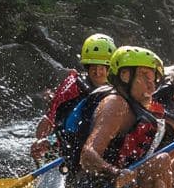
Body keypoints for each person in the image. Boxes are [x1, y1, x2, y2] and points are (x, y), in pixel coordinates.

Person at [65, 46, 174, 188]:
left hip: (126, 184)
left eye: (153, 79)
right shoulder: (115, 104)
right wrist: (114, 173)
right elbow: (88, 154)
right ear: (125, 76)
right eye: (145, 77)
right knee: (161, 161)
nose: (151, 86)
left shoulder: (138, 105)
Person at [30, 33, 115, 162]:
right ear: (87, 66)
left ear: (110, 68)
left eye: (102, 67)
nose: (97, 72)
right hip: (68, 143)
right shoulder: (73, 86)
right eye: (93, 67)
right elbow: (49, 118)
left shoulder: (118, 89)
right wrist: (40, 141)